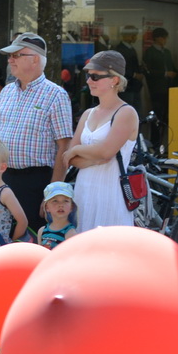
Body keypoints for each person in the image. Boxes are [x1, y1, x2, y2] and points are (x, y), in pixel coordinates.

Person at [0, 32, 74, 229]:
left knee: (32, 244)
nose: (10, 60)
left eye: (16, 55)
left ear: (34, 59)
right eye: (10, 56)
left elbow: (64, 147)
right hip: (4, 179)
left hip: (37, 183)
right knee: (3, 243)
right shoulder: (7, 91)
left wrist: (53, 194)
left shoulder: (56, 95)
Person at [63, 50, 139, 232]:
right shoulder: (88, 114)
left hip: (110, 196)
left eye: (95, 77)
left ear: (115, 80)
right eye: (89, 75)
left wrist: (77, 151)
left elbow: (106, 151)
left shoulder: (126, 113)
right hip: (83, 194)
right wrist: (93, 158)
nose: (89, 81)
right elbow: (68, 158)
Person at [142, 26, 176, 137]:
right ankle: (155, 141)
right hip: (156, 89)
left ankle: (164, 139)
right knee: (157, 114)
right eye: (163, 38)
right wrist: (164, 74)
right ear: (157, 38)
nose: (165, 41)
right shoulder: (150, 52)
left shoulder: (167, 52)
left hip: (168, 88)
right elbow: (148, 71)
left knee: (167, 115)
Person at [36, 182, 78, 249]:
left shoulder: (70, 233)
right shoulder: (42, 231)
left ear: (71, 207)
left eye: (65, 201)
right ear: (47, 207)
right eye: (55, 201)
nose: (61, 205)